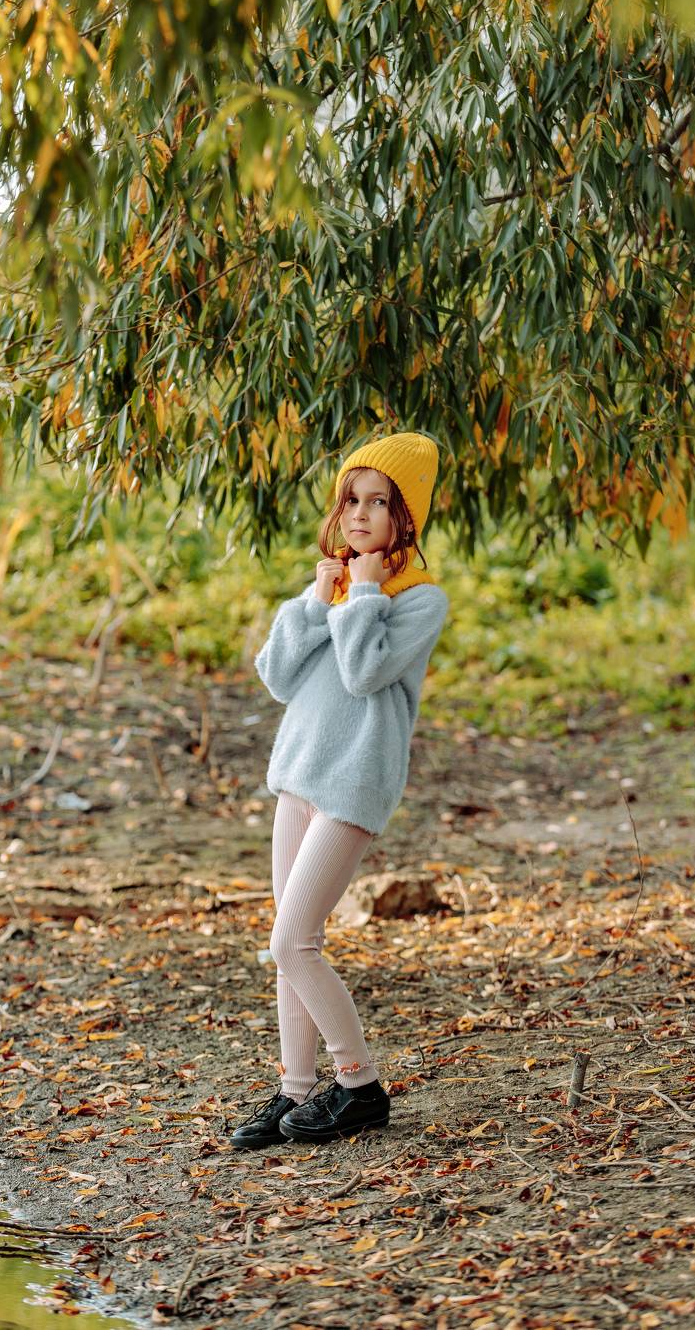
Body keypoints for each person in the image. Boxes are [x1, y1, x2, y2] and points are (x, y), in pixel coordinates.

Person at [231, 432, 449, 1149]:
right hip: (299, 776)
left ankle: (358, 1086)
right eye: (350, 499)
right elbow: (277, 676)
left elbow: (362, 673)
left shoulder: (418, 600)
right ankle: (295, 1091)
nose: (358, 514)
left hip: (353, 783)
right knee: (289, 945)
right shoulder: (335, 589)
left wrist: (362, 592)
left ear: (404, 517)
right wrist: (312, 598)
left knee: (291, 942)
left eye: (377, 502)